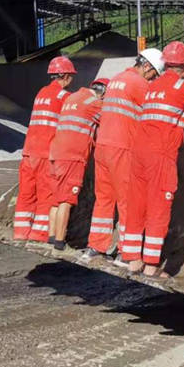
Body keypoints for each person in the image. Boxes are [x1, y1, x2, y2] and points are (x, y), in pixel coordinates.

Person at [124, 41, 184, 277]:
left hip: (138, 154)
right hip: (160, 156)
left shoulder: (152, 86)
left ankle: (133, 260)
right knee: (158, 207)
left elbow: (172, 109)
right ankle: (151, 265)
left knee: (137, 205)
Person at [81, 48, 165, 265]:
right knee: (129, 200)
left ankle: (95, 247)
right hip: (123, 147)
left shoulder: (116, 79)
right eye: (153, 74)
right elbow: (157, 111)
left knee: (104, 199)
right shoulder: (140, 84)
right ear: (146, 66)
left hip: (103, 147)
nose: (153, 78)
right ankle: (126, 252)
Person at [14, 56, 75, 243]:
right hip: (45, 153)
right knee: (46, 194)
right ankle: (39, 234)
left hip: (29, 152)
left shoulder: (41, 93)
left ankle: (20, 232)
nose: (72, 79)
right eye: (71, 75)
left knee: (26, 193)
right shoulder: (64, 97)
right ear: (65, 75)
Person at [47, 77, 108, 253]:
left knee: (57, 199)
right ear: (103, 93)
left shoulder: (72, 97)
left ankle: (52, 236)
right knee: (67, 200)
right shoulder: (93, 103)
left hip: (57, 153)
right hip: (73, 157)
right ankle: (60, 242)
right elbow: (110, 119)